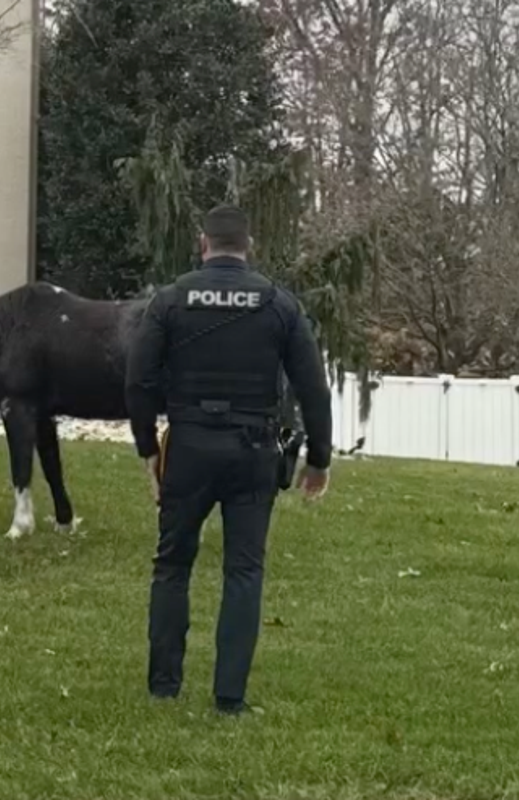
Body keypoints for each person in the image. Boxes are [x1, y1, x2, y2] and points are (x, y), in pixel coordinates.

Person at [124, 203, 333, 716]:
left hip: (188, 447)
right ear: (248, 247)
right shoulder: (278, 304)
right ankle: (230, 697)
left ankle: (164, 685)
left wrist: (149, 449)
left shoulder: (171, 301)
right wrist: (319, 460)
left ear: (203, 243)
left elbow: (138, 380)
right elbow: (313, 389)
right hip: (252, 450)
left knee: (172, 564)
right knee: (244, 570)